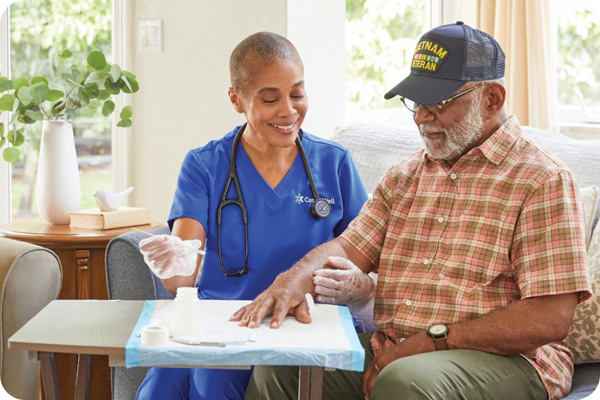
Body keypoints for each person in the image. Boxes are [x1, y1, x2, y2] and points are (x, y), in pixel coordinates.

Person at [233, 22, 592, 400]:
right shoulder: (404, 177)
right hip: (396, 351)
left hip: (513, 361)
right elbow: (345, 249)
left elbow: (549, 318)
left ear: (493, 99)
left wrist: (432, 341)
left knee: (406, 381)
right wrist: (291, 282)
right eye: (416, 102)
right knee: (283, 366)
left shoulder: (543, 180)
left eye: (438, 103)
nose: (421, 117)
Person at [135, 31, 368, 400]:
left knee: (211, 387)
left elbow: (364, 253)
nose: (288, 111)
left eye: (297, 94)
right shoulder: (204, 165)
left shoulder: (334, 163)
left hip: (302, 322)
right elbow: (181, 275)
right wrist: (170, 261)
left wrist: (357, 283)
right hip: (222, 323)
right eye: (270, 98)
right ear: (236, 98)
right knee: (160, 390)